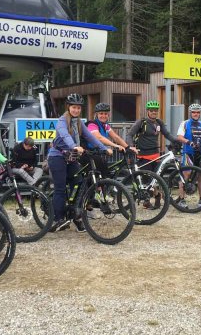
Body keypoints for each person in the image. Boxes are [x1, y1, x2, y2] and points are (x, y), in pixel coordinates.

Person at [47, 93, 110, 233]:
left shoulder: (79, 122)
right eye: (74, 107)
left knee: (80, 183)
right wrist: (74, 146)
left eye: (78, 108)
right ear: (68, 107)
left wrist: (104, 149)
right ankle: (58, 219)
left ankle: (75, 215)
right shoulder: (62, 121)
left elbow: (89, 136)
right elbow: (65, 135)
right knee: (60, 188)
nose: (76, 110)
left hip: (71, 158)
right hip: (57, 157)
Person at [85, 102, 138, 177]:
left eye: (106, 114)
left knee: (105, 174)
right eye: (101, 113)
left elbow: (116, 137)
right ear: (97, 114)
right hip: (89, 154)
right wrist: (115, 146)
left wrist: (127, 147)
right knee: (99, 176)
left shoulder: (105, 125)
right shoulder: (92, 124)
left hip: (99, 153)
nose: (104, 116)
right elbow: (99, 137)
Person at [126, 100, 179, 170]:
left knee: (157, 178)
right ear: (148, 111)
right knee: (146, 179)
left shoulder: (159, 122)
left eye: (156, 110)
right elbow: (129, 135)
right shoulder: (141, 122)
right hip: (144, 156)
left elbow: (167, 134)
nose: (154, 112)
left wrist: (176, 141)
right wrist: (131, 146)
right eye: (151, 110)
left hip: (156, 155)